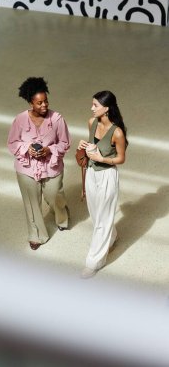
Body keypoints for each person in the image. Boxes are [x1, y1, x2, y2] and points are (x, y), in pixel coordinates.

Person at [7, 77, 71, 250]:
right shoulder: (20, 120)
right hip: (27, 168)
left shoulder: (57, 119)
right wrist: (28, 149)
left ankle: (62, 215)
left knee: (54, 195)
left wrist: (49, 150)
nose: (44, 106)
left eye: (46, 101)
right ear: (30, 103)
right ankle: (36, 235)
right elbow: (12, 143)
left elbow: (65, 143)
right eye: (39, 103)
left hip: (51, 166)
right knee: (31, 202)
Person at [78, 91, 128, 278]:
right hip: (91, 173)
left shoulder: (117, 132)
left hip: (107, 175)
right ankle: (112, 236)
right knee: (96, 214)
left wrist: (101, 158)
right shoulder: (91, 123)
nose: (92, 108)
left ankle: (94, 261)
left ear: (106, 109)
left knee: (103, 219)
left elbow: (121, 158)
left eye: (95, 105)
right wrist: (84, 145)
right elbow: (92, 145)